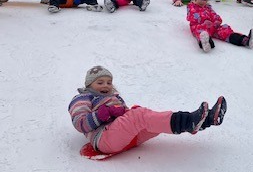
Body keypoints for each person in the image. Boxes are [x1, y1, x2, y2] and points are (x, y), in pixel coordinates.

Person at [68, 66, 227, 155]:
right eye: (100, 82)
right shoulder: (83, 98)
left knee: (153, 121)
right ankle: (191, 121)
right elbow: (79, 123)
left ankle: (205, 121)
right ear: (89, 85)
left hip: (127, 139)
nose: (106, 86)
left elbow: (125, 121)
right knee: (139, 115)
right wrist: (101, 115)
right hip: (104, 139)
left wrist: (123, 112)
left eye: (109, 82)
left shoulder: (114, 97)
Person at [187, 0, 253, 52]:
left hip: (212, 26)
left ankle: (244, 40)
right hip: (199, 26)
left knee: (224, 31)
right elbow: (191, 16)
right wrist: (203, 21)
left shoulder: (208, 8)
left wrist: (217, 21)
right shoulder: (192, 6)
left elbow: (214, 14)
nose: (203, 1)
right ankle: (205, 43)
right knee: (201, 32)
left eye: (205, 0)